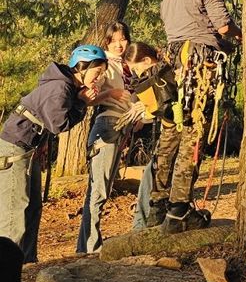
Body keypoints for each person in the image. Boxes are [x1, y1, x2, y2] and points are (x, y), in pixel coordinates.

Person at [156, 0, 242, 233]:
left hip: (173, 64)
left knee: (171, 132)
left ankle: (158, 203)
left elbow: (193, 28)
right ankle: (179, 211)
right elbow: (222, 25)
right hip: (198, 66)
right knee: (194, 133)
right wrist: (242, 36)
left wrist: (220, 43)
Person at [0, 45, 108, 262]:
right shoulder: (60, 87)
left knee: (32, 208)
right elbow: (59, 124)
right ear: (82, 67)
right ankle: (7, 269)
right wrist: (82, 102)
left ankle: (26, 265)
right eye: (97, 72)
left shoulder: (67, 85)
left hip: (28, 148)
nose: (99, 78)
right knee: (14, 212)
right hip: (15, 148)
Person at [76, 21, 133, 253]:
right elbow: (89, 94)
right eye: (114, 41)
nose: (119, 45)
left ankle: (87, 245)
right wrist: (110, 93)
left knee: (104, 189)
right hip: (107, 125)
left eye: (123, 39)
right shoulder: (104, 64)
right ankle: (89, 247)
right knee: (98, 190)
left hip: (122, 126)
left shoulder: (127, 63)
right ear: (107, 43)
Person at [120, 41, 178, 229]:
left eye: (136, 68)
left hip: (177, 134)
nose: (136, 74)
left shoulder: (165, 73)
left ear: (146, 60)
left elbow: (169, 107)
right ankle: (142, 223)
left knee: (153, 175)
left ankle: (141, 225)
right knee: (151, 174)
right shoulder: (151, 77)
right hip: (167, 134)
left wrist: (148, 110)